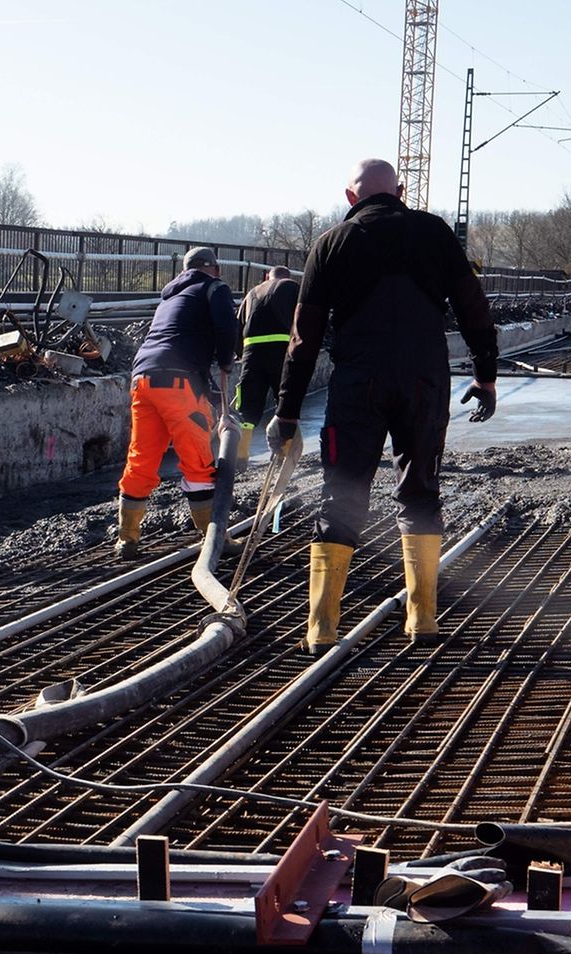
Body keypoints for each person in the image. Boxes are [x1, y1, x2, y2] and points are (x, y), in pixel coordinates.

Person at [267, 159, 499, 653]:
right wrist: (485, 374)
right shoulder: (434, 233)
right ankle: (422, 620)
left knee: (341, 496)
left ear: (350, 198)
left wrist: (287, 411)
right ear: (400, 191)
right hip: (423, 382)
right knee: (419, 494)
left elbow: (303, 338)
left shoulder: (331, 243)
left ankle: (321, 628)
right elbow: (472, 305)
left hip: (357, 385)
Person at [115, 247, 238, 559]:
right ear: (215, 269)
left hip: (142, 379)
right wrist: (226, 360)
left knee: (141, 459)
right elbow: (227, 328)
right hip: (176, 381)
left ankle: (126, 538)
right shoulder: (215, 288)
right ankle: (215, 541)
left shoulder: (170, 297)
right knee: (198, 462)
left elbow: (178, 337)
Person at [233, 265, 301, 467]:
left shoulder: (252, 293)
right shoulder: (292, 287)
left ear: (266, 276)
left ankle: (241, 455)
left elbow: (238, 327)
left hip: (252, 354)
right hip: (282, 353)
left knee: (248, 406)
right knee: (284, 402)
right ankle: (284, 453)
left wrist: (240, 355)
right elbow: (305, 317)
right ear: (287, 276)